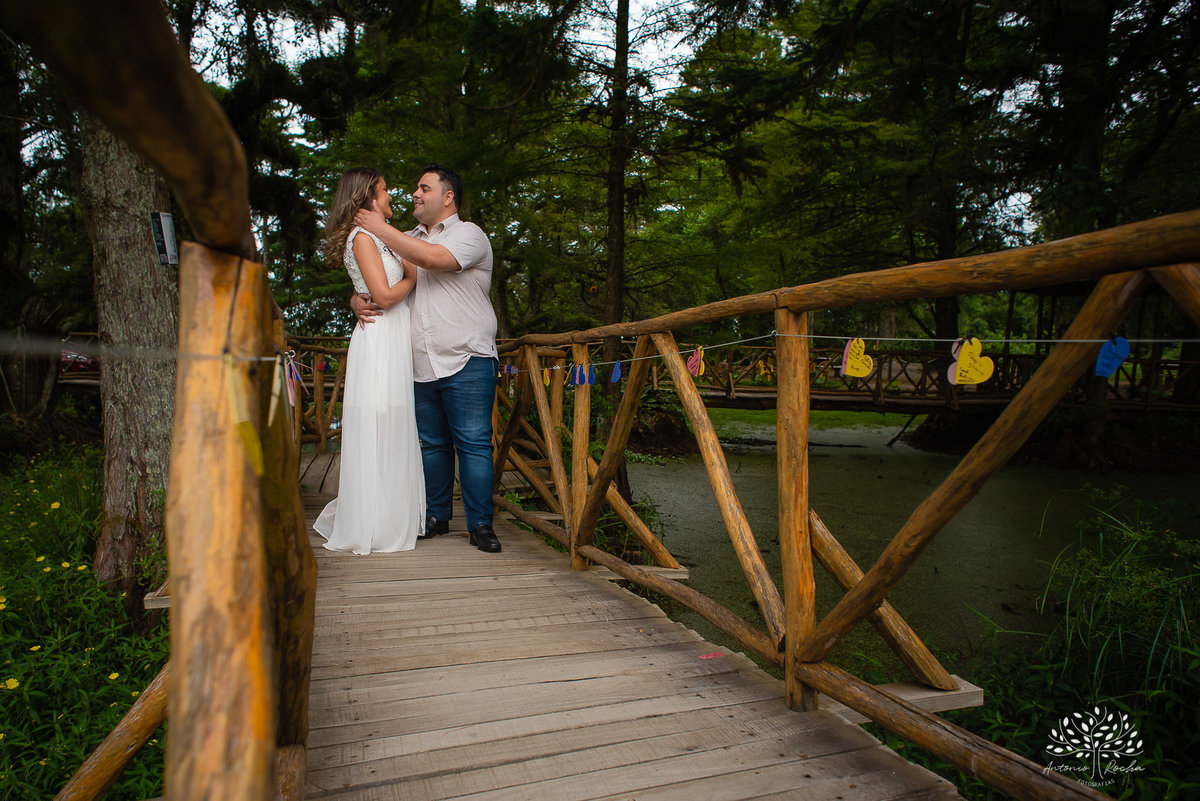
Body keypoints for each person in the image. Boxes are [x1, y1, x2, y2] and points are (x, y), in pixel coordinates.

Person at [351, 164, 502, 553]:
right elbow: (381, 281)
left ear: (447, 196)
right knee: (432, 444)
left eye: (424, 188)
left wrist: (379, 227)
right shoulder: (404, 238)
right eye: (416, 188)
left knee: (473, 443)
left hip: (467, 356)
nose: (414, 194)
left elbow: (433, 259)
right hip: (417, 359)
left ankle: (480, 525)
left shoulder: (469, 235)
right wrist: (356, 299)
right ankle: (436, 516)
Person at [313, 167, 426, 553]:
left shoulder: (379, 236)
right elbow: (385, 295)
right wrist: (413, 274)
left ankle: (388, 514)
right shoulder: (364, 238)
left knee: (391, 425)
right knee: (382, 423)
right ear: (368, 198)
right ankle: (375, 521)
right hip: (379, 339)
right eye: (384, 189)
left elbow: (372, 291)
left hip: (389, 337)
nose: (391, 193)